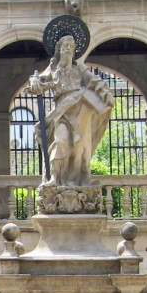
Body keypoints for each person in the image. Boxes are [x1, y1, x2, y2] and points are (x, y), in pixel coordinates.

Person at [27, 35, 114, 187]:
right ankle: (54, 177)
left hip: (81, 108)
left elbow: (95, 81)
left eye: (71, 46)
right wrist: (34, 81)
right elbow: (38, 79)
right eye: (65, 45)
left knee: (81, 147)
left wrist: (106, 94)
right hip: (62, 110)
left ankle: (82, 179)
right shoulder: (53, 68)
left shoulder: (79, 68)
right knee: (60, 141)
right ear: (59, 49)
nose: (68, 49)